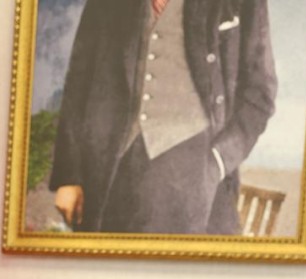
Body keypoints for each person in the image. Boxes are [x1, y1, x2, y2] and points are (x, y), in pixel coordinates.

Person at [49, 0, 276, 234]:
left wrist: (218, 160)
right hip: (110, 169)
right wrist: (69, 175)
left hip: (194, 172)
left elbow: (260, 94)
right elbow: (78, 82)